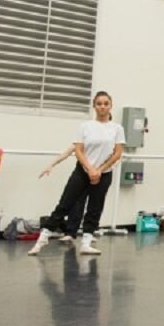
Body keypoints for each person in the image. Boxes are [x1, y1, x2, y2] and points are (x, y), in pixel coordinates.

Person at [29, 91, 126, 256]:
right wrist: (89, 168)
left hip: (104, 174)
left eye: (105, 103)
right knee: (65, 204)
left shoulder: (117, 128)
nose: (102, 106)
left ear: (111, 106)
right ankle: (43, 237)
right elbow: (78, 150)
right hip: (83, 172)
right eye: (99, 103)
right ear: (94, 106)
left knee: (95, 208)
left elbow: (117, 153)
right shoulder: (85, 126)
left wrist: (99, 170)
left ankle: (86, 243)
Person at [39, 146, 88, 243]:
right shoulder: (83, 138)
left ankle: (88, 233)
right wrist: (52, 165)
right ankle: (70, 232)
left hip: (100, 172)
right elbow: (69, 150)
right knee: (72, 201)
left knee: (93, 205)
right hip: (83, 172)